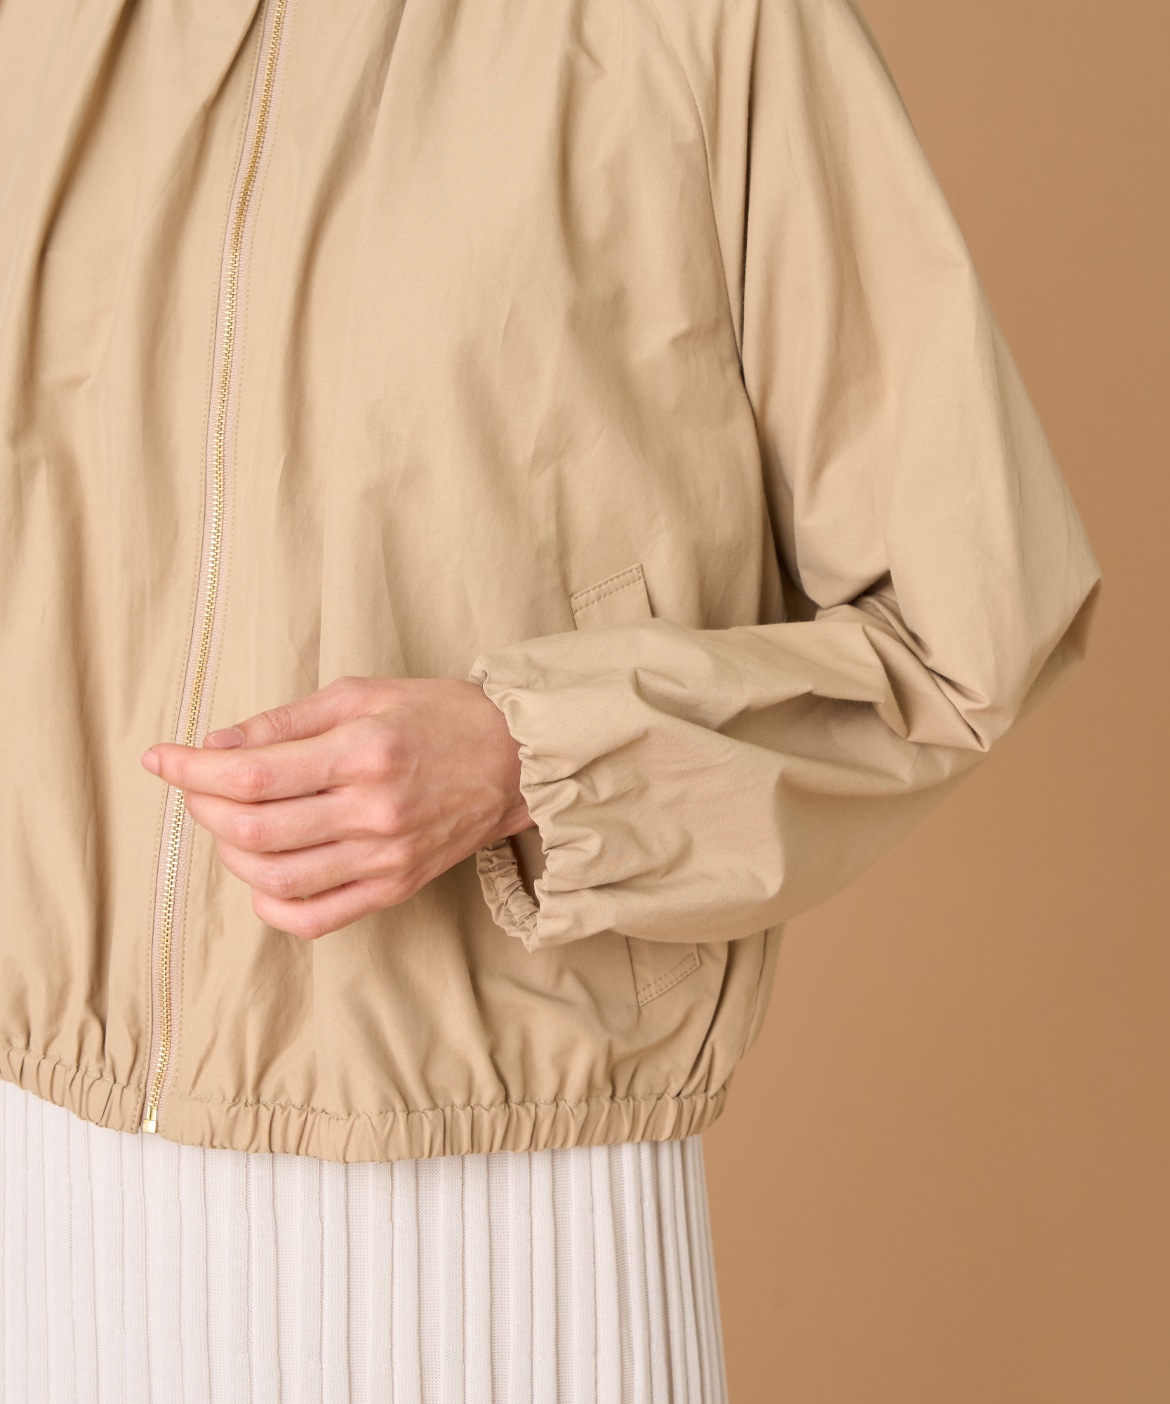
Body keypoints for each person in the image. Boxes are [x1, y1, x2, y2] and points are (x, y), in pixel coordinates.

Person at [0, 0, 1102, 1397]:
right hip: (43, 1189)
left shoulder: (713, 26)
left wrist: (534, 759)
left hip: (510, 1223)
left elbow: (965, 625)